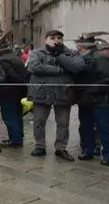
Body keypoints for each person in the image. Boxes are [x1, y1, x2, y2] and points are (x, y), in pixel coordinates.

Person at [26, 29, 85, 160]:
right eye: (52, 38)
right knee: (39, 121)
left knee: (63, 123)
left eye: (59, 38)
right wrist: (59, 70)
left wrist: (60, 56)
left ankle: (61, 148)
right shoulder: (37, 52)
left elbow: (77, 68)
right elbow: (34, 67)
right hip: (42, 91)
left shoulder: (71, 53)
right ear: (46, 40)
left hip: (63, 91)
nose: (56, 40)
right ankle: (40, 146)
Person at [75, 38, 109, 166]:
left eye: (79, 44)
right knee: (86, 127)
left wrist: (90, 91)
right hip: (85, 100)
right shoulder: (81, 59)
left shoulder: (100, 60)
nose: (77, 46)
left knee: (104, 128)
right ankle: (88, 150)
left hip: (100, 100)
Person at [0, 39, 28, 148]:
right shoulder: (15, 57)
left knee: (9, 116)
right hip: (18, 91)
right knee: (17, 115)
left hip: (8, 91)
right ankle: (18, 137)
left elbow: (12, 76)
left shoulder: (3, 60)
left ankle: (15, 140)